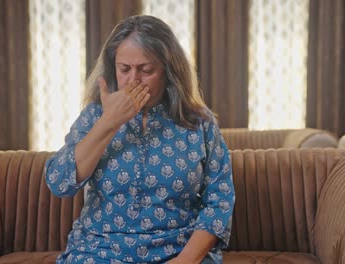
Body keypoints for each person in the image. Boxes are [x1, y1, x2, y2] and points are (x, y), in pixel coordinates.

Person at [45, 15, 234, 264]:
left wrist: (186, 260)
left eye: (146, 70)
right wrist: (108, 123)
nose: (133, 80)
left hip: (177, 250)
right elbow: (59, 183)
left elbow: (219, 201)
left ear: (168, 72)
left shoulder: (199, 121)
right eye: (124, 69)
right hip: (99, 251)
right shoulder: (95, 116)